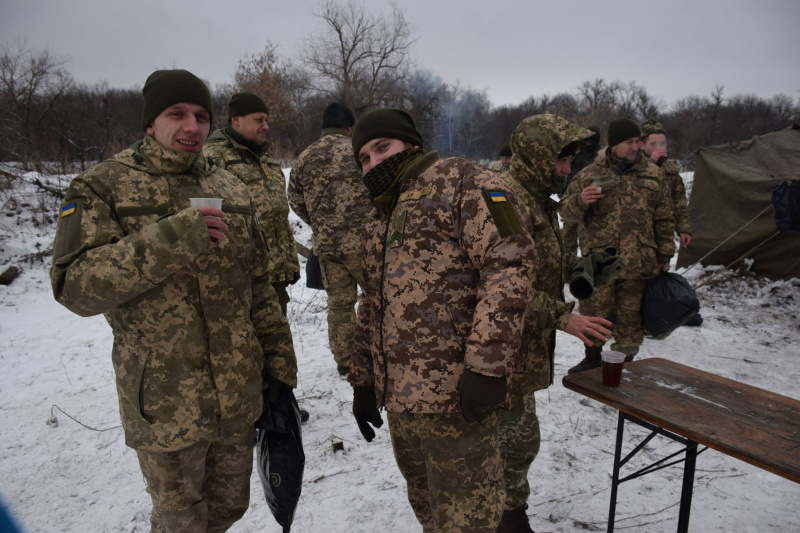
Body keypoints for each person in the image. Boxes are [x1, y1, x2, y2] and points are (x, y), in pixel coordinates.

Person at [50, 70, 298, 533]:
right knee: (181, 520)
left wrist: (281, 369)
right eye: (176, 114)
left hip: (237, 393)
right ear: (150, 123)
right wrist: (170, 239)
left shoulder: (231, 186)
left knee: (229, 508)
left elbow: (259, 287)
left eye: (202, 116)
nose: (192, 127)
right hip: (166, 404)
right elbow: (75, 286)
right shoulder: (103, 186)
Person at [348, 108, 537, 532]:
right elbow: (372, 305)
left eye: (383, 148)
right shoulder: (377, 219)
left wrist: (488, 366)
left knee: (470, 519)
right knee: (429, 510)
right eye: (364, 158)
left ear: (410, 144)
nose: (375, 162)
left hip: (457, 401)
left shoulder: (464, 181)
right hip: (401, 403)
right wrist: (363, 380)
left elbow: (511, 261)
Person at [495, 115, 615, 532]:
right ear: (534, 156)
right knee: (515, 438)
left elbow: (538, 267)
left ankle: (508, 510)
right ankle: (506, 516)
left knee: (517, 437)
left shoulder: (537, 199)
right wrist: (563, 316)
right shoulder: (505, 201)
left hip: (524, 342)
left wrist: (583, 270)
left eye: (570, 160)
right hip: (500, 344)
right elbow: (501, 284)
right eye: (560, 160)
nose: (567, 170)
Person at [561, 118, 675, 373]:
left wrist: (665, 254)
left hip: (639, 262)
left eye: (637, 141)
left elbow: (665, 218)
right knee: (594, 312)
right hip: (599, 264)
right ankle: (592, 359)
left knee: (631, 319)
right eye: (629, 142)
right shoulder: (590, 174)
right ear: (614, 144)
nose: (635, 147)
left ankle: (625, 365)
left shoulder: (653, 174)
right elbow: (566, 215)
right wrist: (580, 201)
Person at [288, 102, 372, 377]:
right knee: (378, 298)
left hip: (327, 247)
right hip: (364, 243)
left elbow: (295, 201)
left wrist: (322, 223)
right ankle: (380, 351)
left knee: (339, 305)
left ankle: (345, 360)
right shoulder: (359, 152)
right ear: (350, 128)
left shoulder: (304, 157)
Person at [203, 92, 301, 316]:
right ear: (235, 120)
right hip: (236, 280)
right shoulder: (213, 158)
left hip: (274, 277)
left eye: (266, 120)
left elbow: (277, 216)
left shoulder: (266, 161)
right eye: (258, 120)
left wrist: (287, 265)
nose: (265, 126)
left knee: (276, 345)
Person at [640, 119, 692, 247]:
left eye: (662, 143)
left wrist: (684, 228)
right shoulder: (633, 166)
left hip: (663, 233)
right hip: (640, 233)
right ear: (642, 145)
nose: (659, 147)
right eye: (653, 144)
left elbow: (679, 201)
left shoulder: (670, 170)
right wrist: (652, 162)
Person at [561, 125, 600, 268]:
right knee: (568, 234)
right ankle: (567, 265)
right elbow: (569, 173)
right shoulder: (576, 154)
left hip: (587, 198)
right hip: (570, 193)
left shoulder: (598, 156)